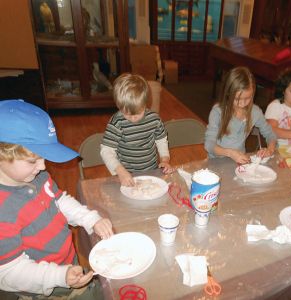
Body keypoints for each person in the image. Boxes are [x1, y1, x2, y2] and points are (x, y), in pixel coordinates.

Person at [0, 100, 113, 299]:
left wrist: (89, 218)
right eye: (33, 160)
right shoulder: (3, 210)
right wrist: (59, 276)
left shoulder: (36, 176)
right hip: (44, 287)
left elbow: (59, 201)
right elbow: (10, 272)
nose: (43, 167)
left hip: (68, 263)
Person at [101, 73, 173, 187]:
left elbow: (161, 140)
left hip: (151, 171)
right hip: (126, 174)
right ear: (118, 106)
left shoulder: (154, 119)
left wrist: (165, 159)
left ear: (145, 103)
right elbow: (106, 151)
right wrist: (120, 171)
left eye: (138, 113)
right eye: (127, 114)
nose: (133, 118)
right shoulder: (117, 122)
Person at [204, 67, 277, 164]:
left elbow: (270, 134)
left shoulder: (255, 112)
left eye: (248, 98)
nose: (242, 103)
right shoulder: (218, 112)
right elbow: (209, 144)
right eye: (237, 99)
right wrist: (230, 153)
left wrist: (270, 150)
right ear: (228, 94)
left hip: (240, 161)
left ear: (253, 93)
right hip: (216, 161)